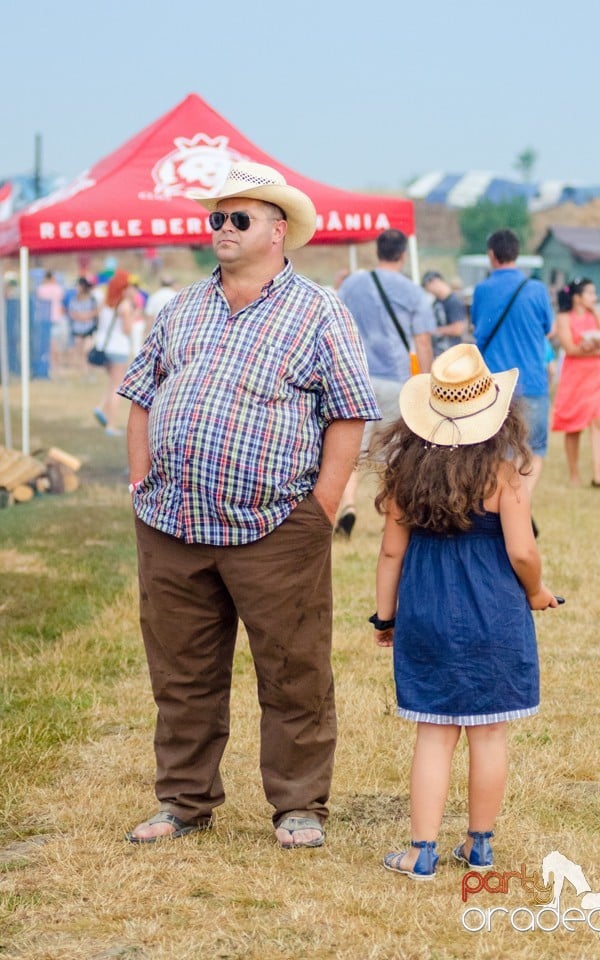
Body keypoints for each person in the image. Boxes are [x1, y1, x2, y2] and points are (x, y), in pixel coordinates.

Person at [117, 162, 380, 848]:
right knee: (180, 671)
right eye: (217, 218)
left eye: (239, 218)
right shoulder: (181, 307)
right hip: (171, 522)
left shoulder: (319, 309)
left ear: (278, 230)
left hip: (276, 525)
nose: (223, 230)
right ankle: (182, 800)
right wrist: (141, 481)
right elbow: (141, 395)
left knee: (293, 670)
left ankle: (298, 806)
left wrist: (322, 507)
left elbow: (349, 415)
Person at [369, 344, 560, 880]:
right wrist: (538, 591)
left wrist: (386, 618)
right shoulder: (504, 475)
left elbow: (390, 553)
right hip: (492, 612)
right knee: (489, 733)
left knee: (433, 733)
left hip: (426, 611)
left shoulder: (407, 472)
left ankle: (421, 852)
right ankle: (479, 846)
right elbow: (522, 552)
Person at [334, 229, 435, 537]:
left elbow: (337, 322)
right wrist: (428, 382)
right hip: (396, 380)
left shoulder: (353, 284)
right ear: (403, 254)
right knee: (394, 455)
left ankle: (348, 505)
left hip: (356, 378)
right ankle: (387, 518)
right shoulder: (413, 292)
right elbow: (423, 341)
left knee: (352, 452)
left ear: (377, 251)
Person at [471, 229, 553, 504]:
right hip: (532, 381)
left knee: (496, 451)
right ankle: (522, 503)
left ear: (492, 255)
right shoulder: (537, 289)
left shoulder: (482, 290)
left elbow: (478, 330)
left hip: (494, 386)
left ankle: (503, 507)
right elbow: (547, 329)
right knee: (534, 449)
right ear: (517, 254)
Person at [551, 279, 600, 487]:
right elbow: (570, 348)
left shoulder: (596, 315)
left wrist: (593, 347)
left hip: (596, 375)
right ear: (577, 297)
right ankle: (574, 473)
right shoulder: (564, 318)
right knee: (574, 425)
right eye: (590, 293)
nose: (594, 298)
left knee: (599, 421)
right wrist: (593, 350)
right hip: (575, 377)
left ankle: (598, 473)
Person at [92, 270, 136, 437]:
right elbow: (127, 329)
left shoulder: (106, 303)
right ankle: (111, 424)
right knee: (117, 388)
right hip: (118, 349)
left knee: (112, 384)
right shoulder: (124, 305)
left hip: (106, 348)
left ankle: (101, 408)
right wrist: (132, 316)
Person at [421, 270, 467, 357]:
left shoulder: (454, 302)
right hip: (439, 353)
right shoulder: (436, 302)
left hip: (451, 353)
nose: (429, 292)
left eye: (427, 287)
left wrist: (435, 331)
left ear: (434, 282)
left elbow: (458, 329)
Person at [36, 270, 67, 376]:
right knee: (57, 346)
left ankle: (53, 367)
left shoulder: (41, 289)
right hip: (57, 319)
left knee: (50, 346)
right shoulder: (58, 289)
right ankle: (57, 367)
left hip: (46, 320)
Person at [67, 277, 99, 375]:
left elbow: (96, 312)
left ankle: (88, 370)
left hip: (89, 329)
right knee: (79, 350)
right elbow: (71, 312)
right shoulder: (74, 300)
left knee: (87, 350)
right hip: (77, 329)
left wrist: (86, 316)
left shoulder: (92, 299)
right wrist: (80, 316)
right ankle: (82, 370)